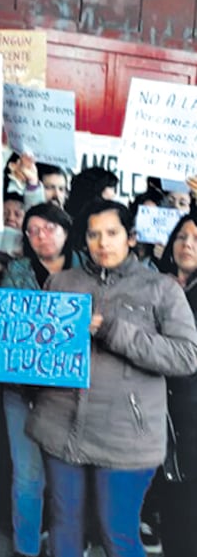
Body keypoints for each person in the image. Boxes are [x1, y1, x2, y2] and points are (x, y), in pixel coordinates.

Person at [28, 199, 197, 557]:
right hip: (60, 427)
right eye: (93, 234)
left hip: (126, 437)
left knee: (116, 532)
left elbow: (186, 356)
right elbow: (38, 354)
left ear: (131, 238)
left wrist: (113, 330)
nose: (102, 243)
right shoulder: (62, 282)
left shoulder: (162, 289)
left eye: (112, 233)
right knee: (64, 522)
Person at [0, 203, 78, 557]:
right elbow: (1, 330)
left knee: (69, 479)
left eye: (48, 227)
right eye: (32, 230)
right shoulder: (17, 269)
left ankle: (68, 547)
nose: (41, 236)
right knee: (28, 477)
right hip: (22, 394)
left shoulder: (88, 268)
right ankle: (26, 548)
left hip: (75, 396)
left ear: (65, 229)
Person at [149, 213, 197, 557]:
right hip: (158, 415)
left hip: (190, 414)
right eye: (181, 236)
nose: (188, 244)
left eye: (196, 238)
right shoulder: (155, 284)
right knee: (170, 500)